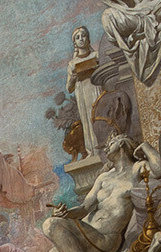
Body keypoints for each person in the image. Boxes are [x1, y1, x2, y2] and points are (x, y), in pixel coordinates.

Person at [23, 132, 149, 252]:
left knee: (50, 225)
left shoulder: (137, 168)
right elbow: (84, 207)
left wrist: (146, 148)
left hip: (104, 239)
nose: (106, 147)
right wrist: (67, 213)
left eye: (111, 143)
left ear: (121, 144)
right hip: (81, 239)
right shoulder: (104, 177)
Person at [67, 26, 104, 158]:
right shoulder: (72, 64)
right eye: (78, 38)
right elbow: (69, 88)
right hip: (82, 92)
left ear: (88, 38)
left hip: (95, 88)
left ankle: (104, 148)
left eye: (83, 36)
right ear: (75, 43)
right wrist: (73, 78)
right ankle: (91, 151)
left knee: (98, 117)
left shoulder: (96, 56)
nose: (81, 39)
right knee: (88, 121)